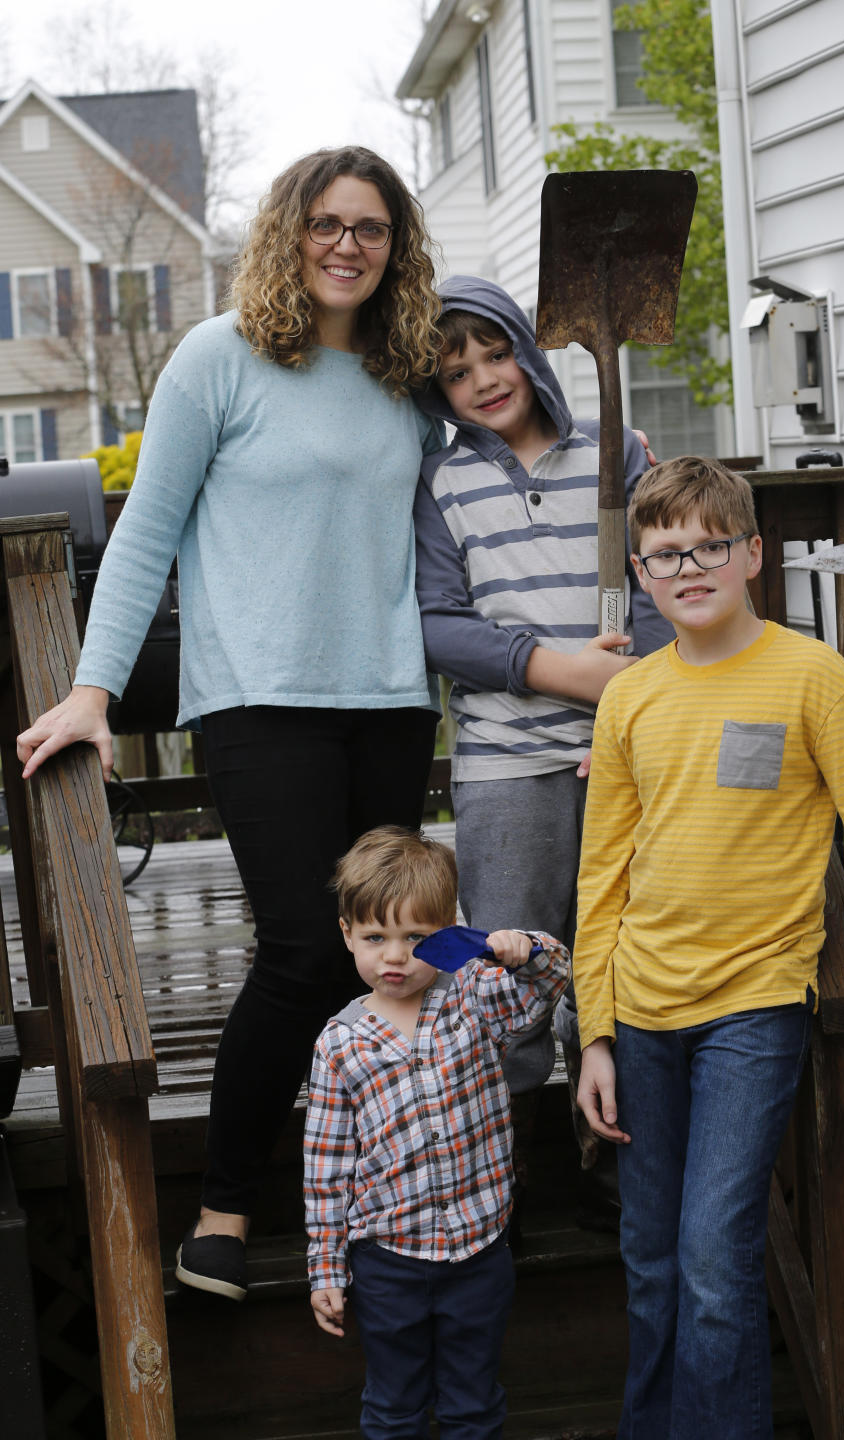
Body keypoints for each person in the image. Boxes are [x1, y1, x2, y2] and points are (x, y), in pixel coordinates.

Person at [16, 146, 446, 1301]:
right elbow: (143, 533)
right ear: (287, 233)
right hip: (259, 699)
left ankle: (361, 1191)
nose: (346, 244)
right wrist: (95, 689)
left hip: (392, 704)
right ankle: (226, 1198)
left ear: (396, 245)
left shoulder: (411, 379)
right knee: (306, 950)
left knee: (383, 966)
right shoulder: (221, 359)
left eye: (370, 226)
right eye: (325, 222)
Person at [573, 455, 844, 1438]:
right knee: (651, 1262)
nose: (688, 567)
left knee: (712, 1257)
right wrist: (595, 1034)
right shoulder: (629, 697)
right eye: (665, 554)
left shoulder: (808, 673)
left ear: (751, 555)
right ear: (643, 576)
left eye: (708, 547)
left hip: (753, 1009)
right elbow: (601, 876)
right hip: (640, 1013)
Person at [412, 275, 674, 1228]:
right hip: (508, 763)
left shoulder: (622, 456)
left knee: (619, 959)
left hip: (630, 760)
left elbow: (661, 600)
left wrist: (634, 712)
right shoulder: (444, 486)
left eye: (496, 353)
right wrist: (551, 667)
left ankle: (614, 1160)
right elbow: (439, 626)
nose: (484, 379)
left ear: (531, 346)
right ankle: (509, 1178)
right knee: (510, 962)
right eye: (455, 373)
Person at [304, 825, 570, 1440]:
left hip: (478, 1251)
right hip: (386, 1260)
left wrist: (522, 948)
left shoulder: (474, 998)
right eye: (376, 937)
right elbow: (326, 1167)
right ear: (347, 935)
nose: (395, 957)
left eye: (416, 938)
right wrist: (325, 1268)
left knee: (472, 1404)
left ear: (447, 933)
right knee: (394, 1406)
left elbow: (554, 978)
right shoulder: (340, 1044)